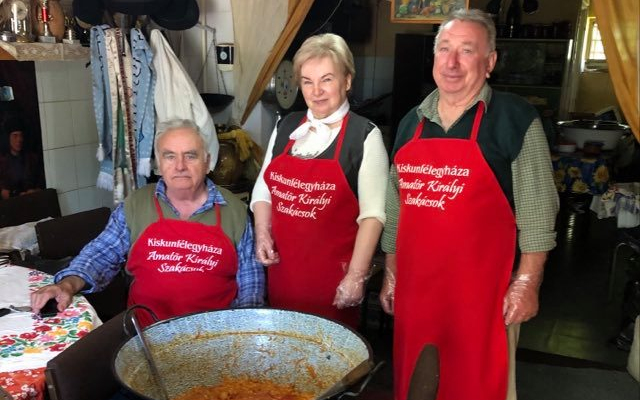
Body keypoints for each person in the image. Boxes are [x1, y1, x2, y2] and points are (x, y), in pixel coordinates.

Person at [379, 9, 559, 400]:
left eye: (467, 50)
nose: (452, 62)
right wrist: (391, 271)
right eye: (444, 49)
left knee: (478, 383)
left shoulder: (514, 119)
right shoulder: (412, 122)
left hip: (483, 296)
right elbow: (396, 209)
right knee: (416, 383)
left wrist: (527, 282)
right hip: (417, 291)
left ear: (490, 61)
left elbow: (538, 212)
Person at [31, 119, 265, 326]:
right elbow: (101, 254)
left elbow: (250, 283)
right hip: (145, 337)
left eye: (190, 155)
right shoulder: (137, 204)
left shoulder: (234, 210)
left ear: (207, 161)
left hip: (216, 338)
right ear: (158, 165)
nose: (180, 166)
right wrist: (67, 285)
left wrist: (244, 333)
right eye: (170, 156)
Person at [251, 33, 389, 327]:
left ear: (347, 81)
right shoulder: (286, 126)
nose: (317, 92)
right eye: (307, 81)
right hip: (283, 273)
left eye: (327, 79)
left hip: (333, 282)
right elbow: (263, 191)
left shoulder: (364, 135)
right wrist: (262, 233)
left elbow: (373, 216)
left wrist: (355, 276)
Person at [0, 118, 44, 199]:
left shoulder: (32, 159)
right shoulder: (2, 162)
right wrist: (18, 195)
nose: (19, 140)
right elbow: (3, 192)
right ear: (8, 138)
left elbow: (41, 182)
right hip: (11, 205)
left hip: (33, 200)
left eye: (21, 135)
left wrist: (35, 191)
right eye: (15, 136)